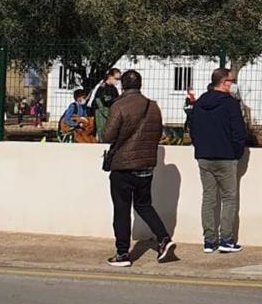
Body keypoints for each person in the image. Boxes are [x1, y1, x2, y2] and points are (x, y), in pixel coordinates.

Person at [101, 70, 175, 267]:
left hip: (123, 167)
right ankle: (164, 238)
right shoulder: (153, 107)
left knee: (122, 210)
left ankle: (123, 254)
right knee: (143, 205)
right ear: (140, 85)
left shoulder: (119, 106)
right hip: (146, 165)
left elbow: (107, 136)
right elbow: (157, 133)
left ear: (122, 86)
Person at [192, 69, 247, 254]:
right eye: (232, 80)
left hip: (204, 156)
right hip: (226, 157)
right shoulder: (230, 105)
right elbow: (239, 132)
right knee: (229, 198)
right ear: (224, 82)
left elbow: (193, 129)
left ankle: (209, 241)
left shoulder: (200, 103)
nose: (233, 83)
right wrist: (236, 153)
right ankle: (226, 239)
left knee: (208, 198)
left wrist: (200, 149)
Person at [91, 68, 121, 139]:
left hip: (111, 116)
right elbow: (99, 103)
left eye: (119, 79)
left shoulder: (114, 89)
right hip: (102, 116)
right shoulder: (102, 88)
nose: (118, 81)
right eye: (116, 78)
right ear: (110, 77)